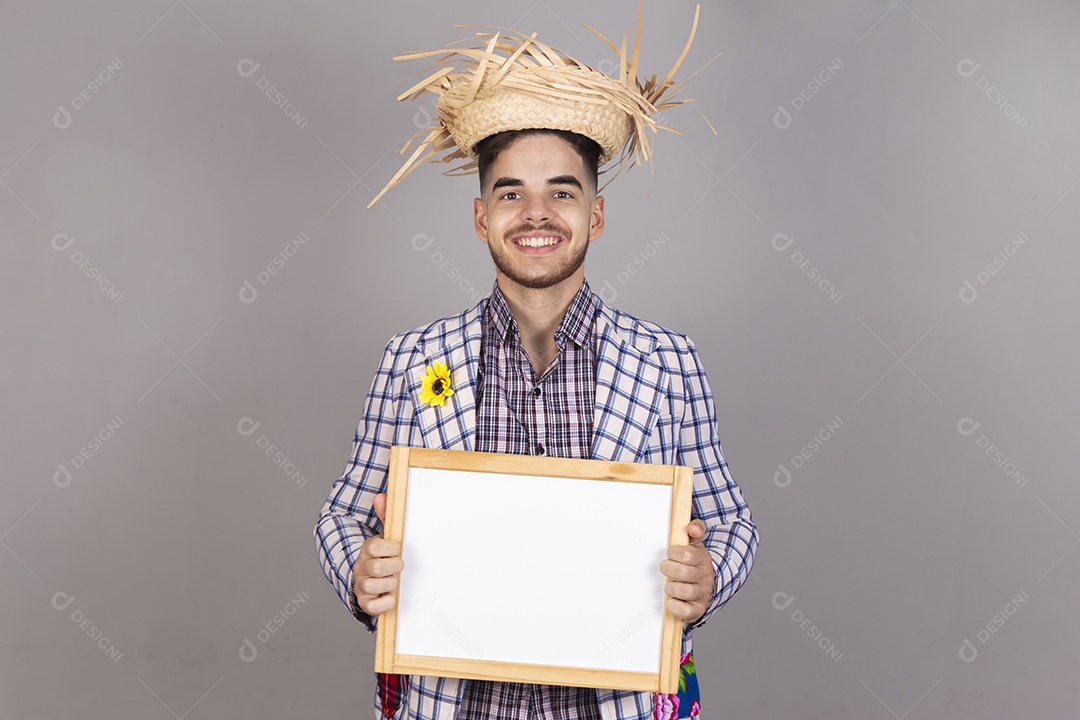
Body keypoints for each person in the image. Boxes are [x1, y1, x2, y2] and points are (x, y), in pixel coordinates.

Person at [314, 9, 758, 720]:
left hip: (618, 704)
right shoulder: (414, 360)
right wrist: (360, 571)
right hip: (450, 704)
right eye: (511, 192)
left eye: (562, 190)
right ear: (481, 217)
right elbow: (341, 516)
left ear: (598, 215)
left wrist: (708, 577)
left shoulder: (669, 363)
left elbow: (731, 524)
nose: (536, 213)